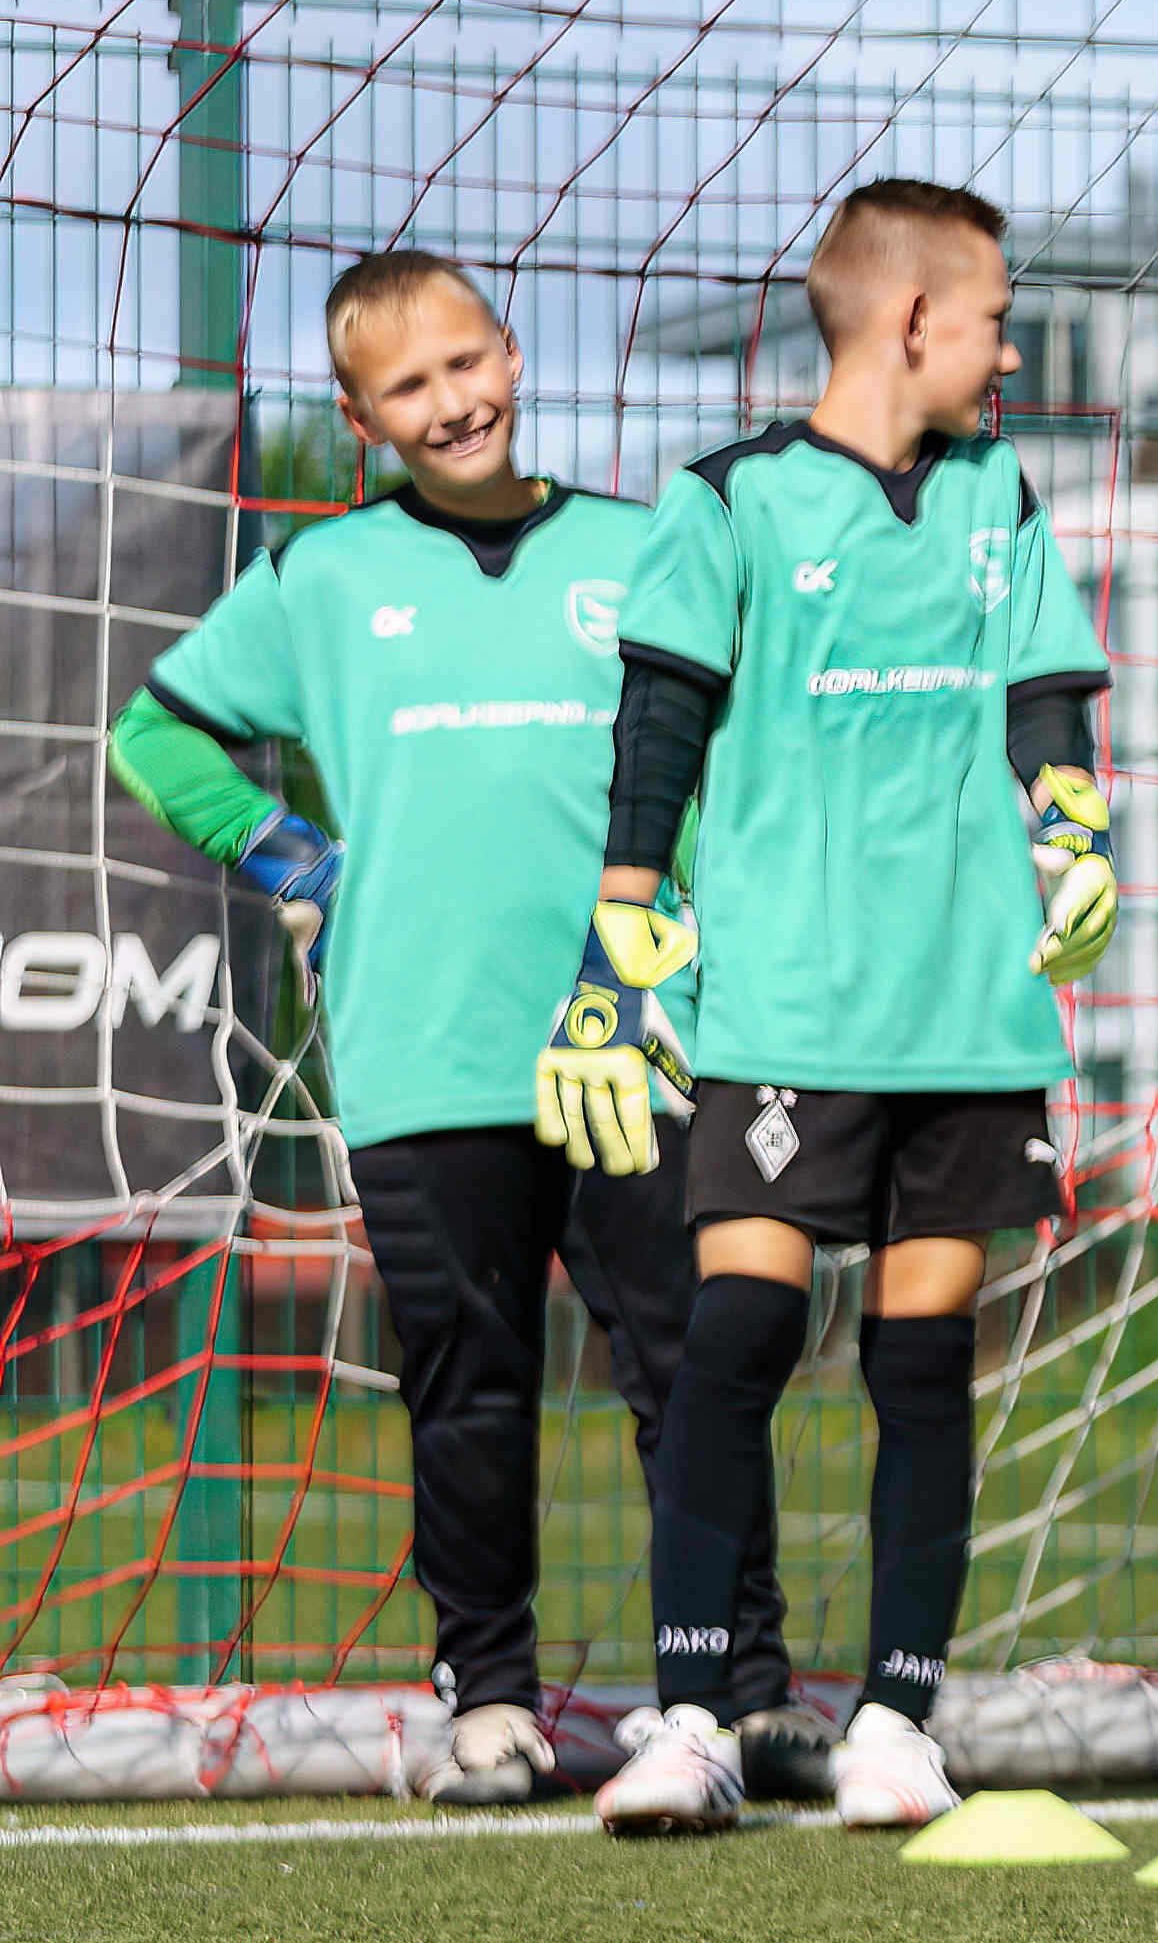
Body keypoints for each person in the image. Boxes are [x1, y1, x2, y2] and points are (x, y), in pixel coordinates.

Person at [108, 250, 806, 1807]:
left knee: (693, 1363)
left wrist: (682, 938)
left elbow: (728, 758)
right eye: (407, 384)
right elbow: (154, 733)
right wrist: (295, 861)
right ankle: (489, 1697)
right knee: (465, 1380)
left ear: (512, 353)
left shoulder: (645, 549)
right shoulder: (326, 578)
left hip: (639, 1040)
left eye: (468, 359)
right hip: (424, 1048)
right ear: (360, 417)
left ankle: (749, 1691)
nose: (452, 399)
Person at [559, 179, 1116, 1837]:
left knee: (923, 1358)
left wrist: (1071, 833)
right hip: (783, 1007)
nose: (1009, 347)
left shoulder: (999, 495)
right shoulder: (728, 500)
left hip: (968, 1011)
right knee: (738, 1334)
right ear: (917, 319)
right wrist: (621, 927)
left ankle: (896, 1719)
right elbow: (658, 726)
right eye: (1000, 316)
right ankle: (695, 1715)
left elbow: (1047, 696)